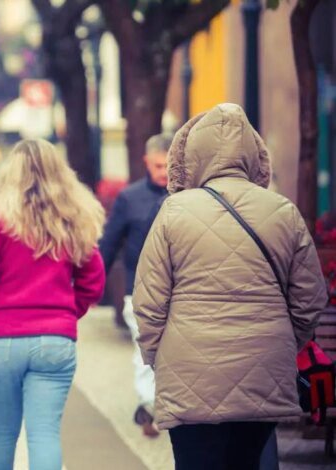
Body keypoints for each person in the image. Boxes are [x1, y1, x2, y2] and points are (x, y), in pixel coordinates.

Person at [133, 103, 327, 470]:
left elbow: (148, 302)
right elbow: (311, 297)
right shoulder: (283, 211)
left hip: (189, 371)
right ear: (254, 154)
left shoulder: (174, 211)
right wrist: (283, 342)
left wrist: (159, 356)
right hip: (262, 368)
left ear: (193, 154)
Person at [0, 139, 106, 470]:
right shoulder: (73, 216)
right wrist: (66, 313)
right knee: (44, 434)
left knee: (0, 432)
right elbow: (93, 281)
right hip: (55, 340)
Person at [98, 133, 171, 437]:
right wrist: (92, 286)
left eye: (168, 165)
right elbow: (109, 243)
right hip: (137, 291)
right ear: (146, 162)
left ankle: (167, 408)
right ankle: (149, 407)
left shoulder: (188, 196)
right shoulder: (129, 198)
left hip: (177, 292)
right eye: (158, 165)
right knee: (145, 353)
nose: (164, 172)